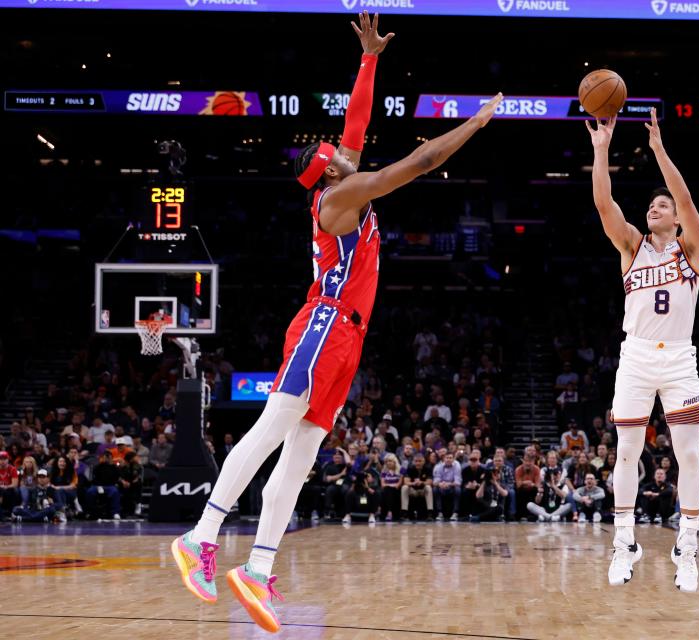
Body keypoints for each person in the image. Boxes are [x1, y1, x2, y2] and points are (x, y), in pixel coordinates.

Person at [170, 13, 502, 634]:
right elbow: (422, 161)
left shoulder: (338, 182)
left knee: (300, 457)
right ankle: (200, 534)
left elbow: (356, 123)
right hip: (323, 325)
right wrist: (476, 123)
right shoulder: (340, 197)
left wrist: (369, 59)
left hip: (347, 335)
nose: (353, 153)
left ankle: (259, 570)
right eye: (342, 158)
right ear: (328, 172)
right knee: (274, 429)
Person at [587, 107, 699, 591]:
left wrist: (658, 149)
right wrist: (601, 151)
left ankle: (689, 548)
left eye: (662, 207)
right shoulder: (631, 247)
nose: (654, 209)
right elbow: (603, 204)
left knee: (689, 454)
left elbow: (684, 195)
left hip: (679, 357)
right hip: (636, 355)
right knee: (627, 451)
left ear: (677, 219)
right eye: (652, 206)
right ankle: (623, 545)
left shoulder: (692, 248)